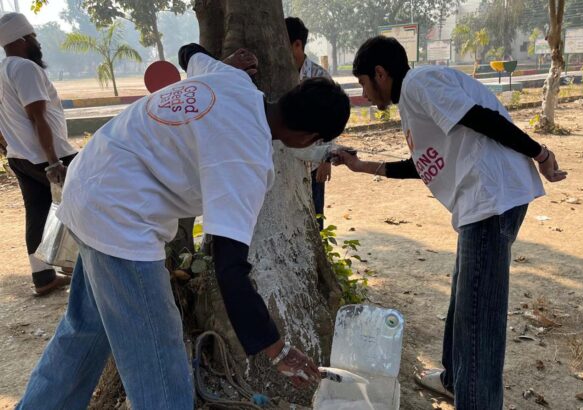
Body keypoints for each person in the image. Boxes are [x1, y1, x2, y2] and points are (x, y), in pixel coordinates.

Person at [17, 44, 350, 409]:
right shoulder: (247, 156)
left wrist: (223, 64)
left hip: (87, 181)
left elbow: (189, 52)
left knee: (86, 332)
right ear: (308, 138)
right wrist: (274, 347)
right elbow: (230, 265)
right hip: (119, 218)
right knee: (161, 360)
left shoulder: (232, 79)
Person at [333, 36, 566, 410]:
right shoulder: (413, 98)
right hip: (481, 201)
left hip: (491, 198)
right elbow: (423, 165)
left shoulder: (420, 83)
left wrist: (541, 152)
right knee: (465, 298)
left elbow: (481, 118)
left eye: (363, 82)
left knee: (478, 320)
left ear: (380, 73)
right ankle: (454, 381)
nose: (364, 93)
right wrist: (363, 167)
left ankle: (475, 400)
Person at [0, 13, 77, 295]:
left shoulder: (2, 69)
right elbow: (37, 117)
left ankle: (43, 278)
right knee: (84, 201)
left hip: (20, 156)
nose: (37, 42)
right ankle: (79, 268)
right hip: (48, 155)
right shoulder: (25, 68)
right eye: (33, 37)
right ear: (21, 39)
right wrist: (54, 160)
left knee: (37, 212)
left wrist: (8, 148)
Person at [286, 17, 333, 230]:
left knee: (316, 219)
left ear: (297, 44)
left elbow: (331, 122)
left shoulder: (319, 78)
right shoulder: (276, 76)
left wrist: (326, 159)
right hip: (283, 163)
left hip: (313, 165)